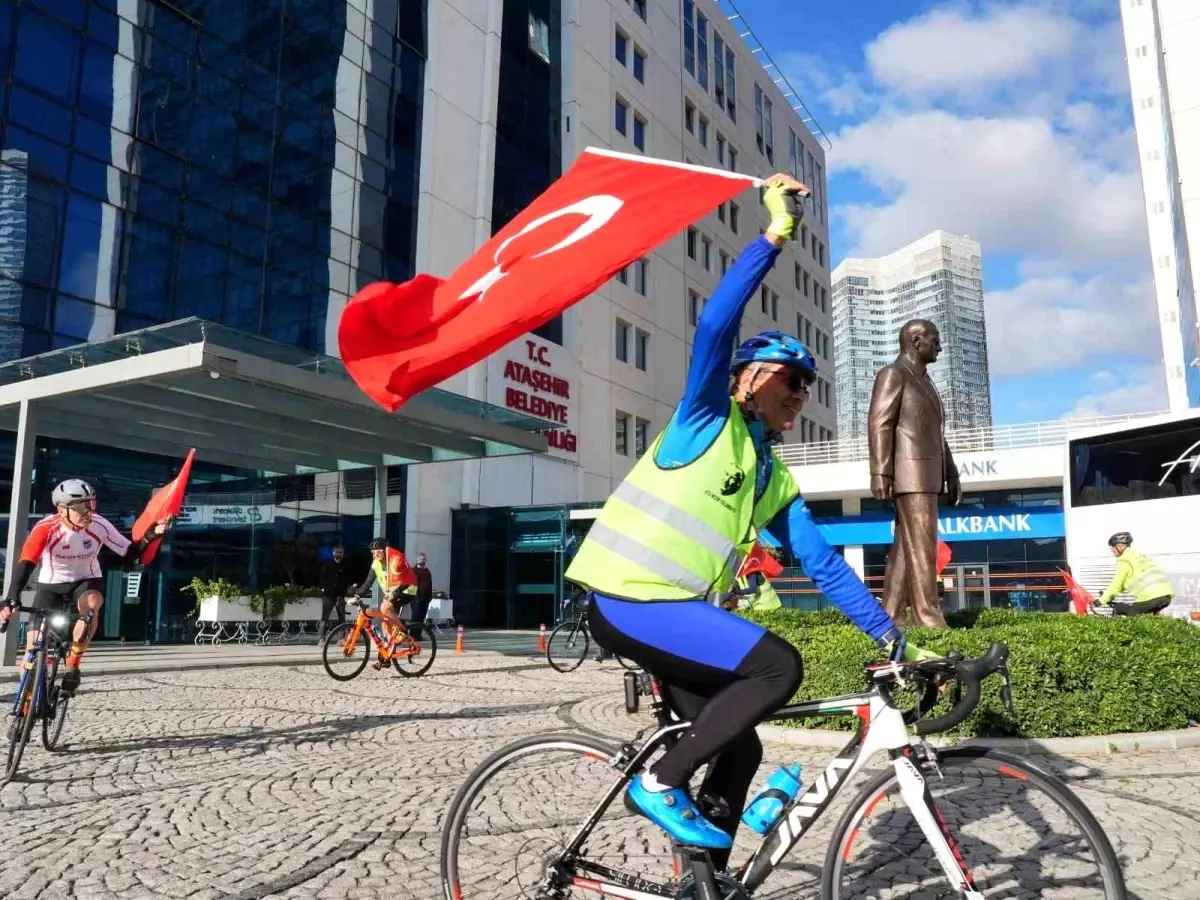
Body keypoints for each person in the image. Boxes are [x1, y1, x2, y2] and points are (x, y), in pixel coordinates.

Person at [565, 174, 926, 865]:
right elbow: (712, 324)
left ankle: (706, 882)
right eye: (791, 380)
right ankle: (660, 779)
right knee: (775, 668)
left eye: (808, 386)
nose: (801, 394)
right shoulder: (706, 419)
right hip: (627, 600)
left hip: (666, 610)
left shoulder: (770, 473)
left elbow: (821, 563)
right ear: (752, 379)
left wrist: (894, 638)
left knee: (744, 742)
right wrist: (774, 233)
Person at [0, 479, 171, 693]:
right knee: (33, 646)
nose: (88, 511)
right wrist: (11, 598)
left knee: (91, 605)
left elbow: (131, 552)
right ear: (62, 510)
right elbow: (26, 564)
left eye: (91, 504)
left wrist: (152, 533)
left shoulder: (99, 525)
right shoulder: (45, 529)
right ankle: (25, 702)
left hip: (86, 579)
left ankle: (73, 662)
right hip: (51, 585)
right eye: (81, 506)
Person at [352, 537, 416, 668]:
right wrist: (357, 595)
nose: (375, 555)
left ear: (385, 552)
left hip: (407, 590)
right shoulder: (375, 564)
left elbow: (407, 580)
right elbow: (367, 582)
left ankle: (402, 631)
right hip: (392, 594)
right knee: (385, 625)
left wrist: (396, 592)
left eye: (378, 552)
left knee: (385, 608)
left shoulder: (395, 561)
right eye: (373, 553)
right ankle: (385, 659)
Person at [1097, 532, 1173, 616]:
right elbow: (1121, 586)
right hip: (1166, 595)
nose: (1112, 550)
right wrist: (1109, 596)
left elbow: (1116, 584)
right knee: (1142, 616)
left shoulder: (1124, 559)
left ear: (1120, 546)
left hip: (1150, 597)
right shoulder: (1138, 555)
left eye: (1112, 547)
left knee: (1131, 617)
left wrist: (1101, 600)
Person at [317, 546, 352, 646]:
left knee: (342, 618)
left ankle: (341, 639)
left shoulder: (345, 566)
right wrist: (325, 587)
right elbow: (321, 577)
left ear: (343, 553)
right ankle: (321, 639)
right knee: (325, 617)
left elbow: (347, 579)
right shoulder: (327, 565)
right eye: (337, 552)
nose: (339, 554)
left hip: (340, 595)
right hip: (329, 594)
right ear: (333, 553)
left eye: (341, 552)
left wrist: (346, 588)